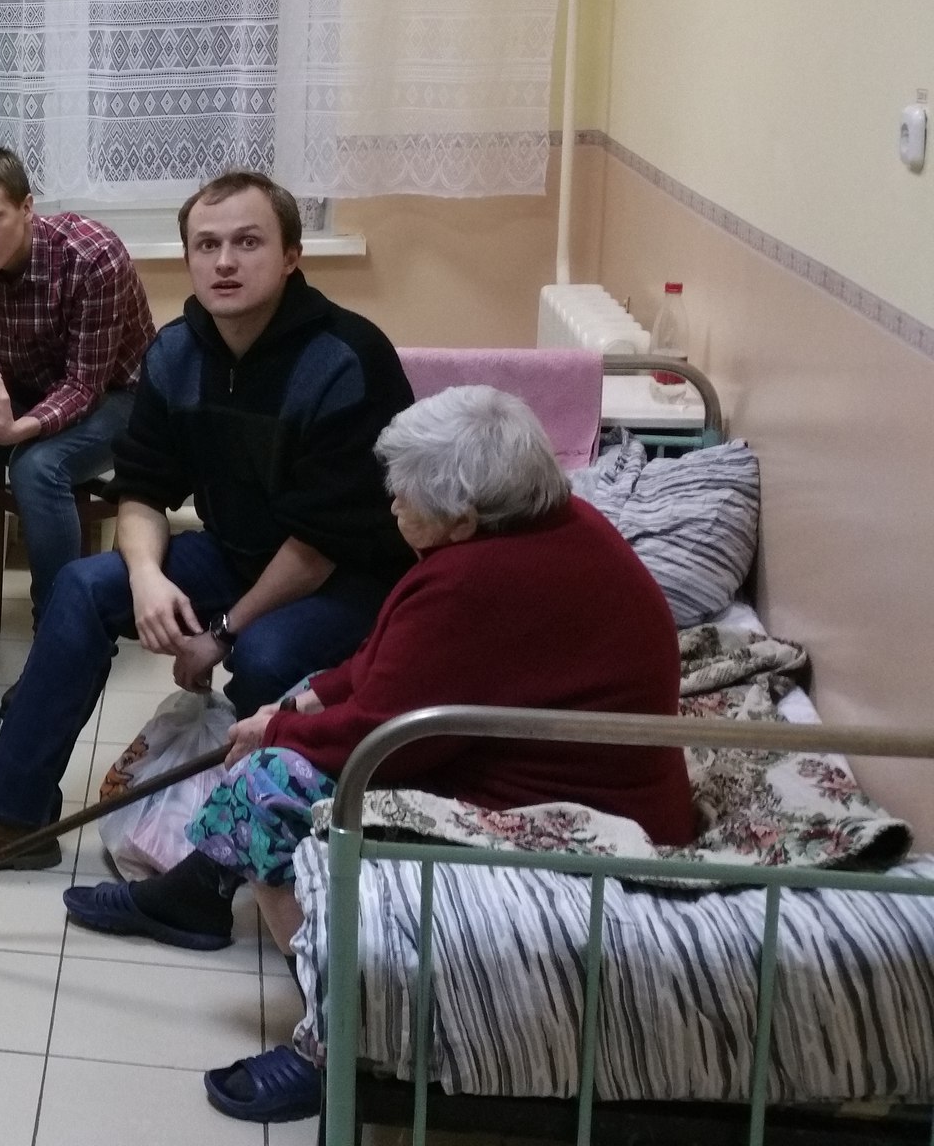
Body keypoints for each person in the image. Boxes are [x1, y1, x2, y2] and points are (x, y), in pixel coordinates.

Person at [62, 385, 699, 1123]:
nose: (391, 504)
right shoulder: (540, 527)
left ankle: (336, 1043)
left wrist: (276, 734)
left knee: (273, 787)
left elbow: (385, 740)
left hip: (573, 808)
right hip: (511, 748)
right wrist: (300, 704)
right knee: (293, 699)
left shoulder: (480, 581)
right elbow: (390, 662)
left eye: (407, 496)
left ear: (463, 516)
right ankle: (196, 896)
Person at [0, 171, 416, 878]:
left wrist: (222, 631)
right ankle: (13, 817)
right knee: (83, 588)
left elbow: (320, 545)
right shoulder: (176, 353)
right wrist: (144, 576)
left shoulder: (347, 358)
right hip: (238, 555)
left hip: (346, 579)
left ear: (291, 255)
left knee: (264, 658)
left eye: (247, 242)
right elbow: (142, 486)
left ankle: (250, 855)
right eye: (207, 245)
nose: (224, 262)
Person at [0, 146, 156, 620]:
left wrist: (13, 432)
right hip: (24, 391)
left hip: (121, 397)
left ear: (27, 207)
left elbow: (84, 386)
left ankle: (60, 626)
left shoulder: (93, 256)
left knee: (36, 466)